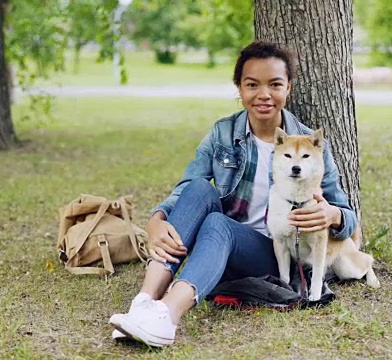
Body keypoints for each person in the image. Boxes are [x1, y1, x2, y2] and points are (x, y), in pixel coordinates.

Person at [109, 41, 357, 347]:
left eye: (275, 84)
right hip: (219, 245)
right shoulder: (223, 133)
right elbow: (187, 188)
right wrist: (156, 220)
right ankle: (144, 303)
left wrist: (332, 215)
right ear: (239, 88)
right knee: (201, 189)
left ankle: (167, 317)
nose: (264, 94)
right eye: (252, 84)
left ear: (288, 88)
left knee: (217, 223)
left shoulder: (310, 146)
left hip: (274, 252)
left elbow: (348, 216)